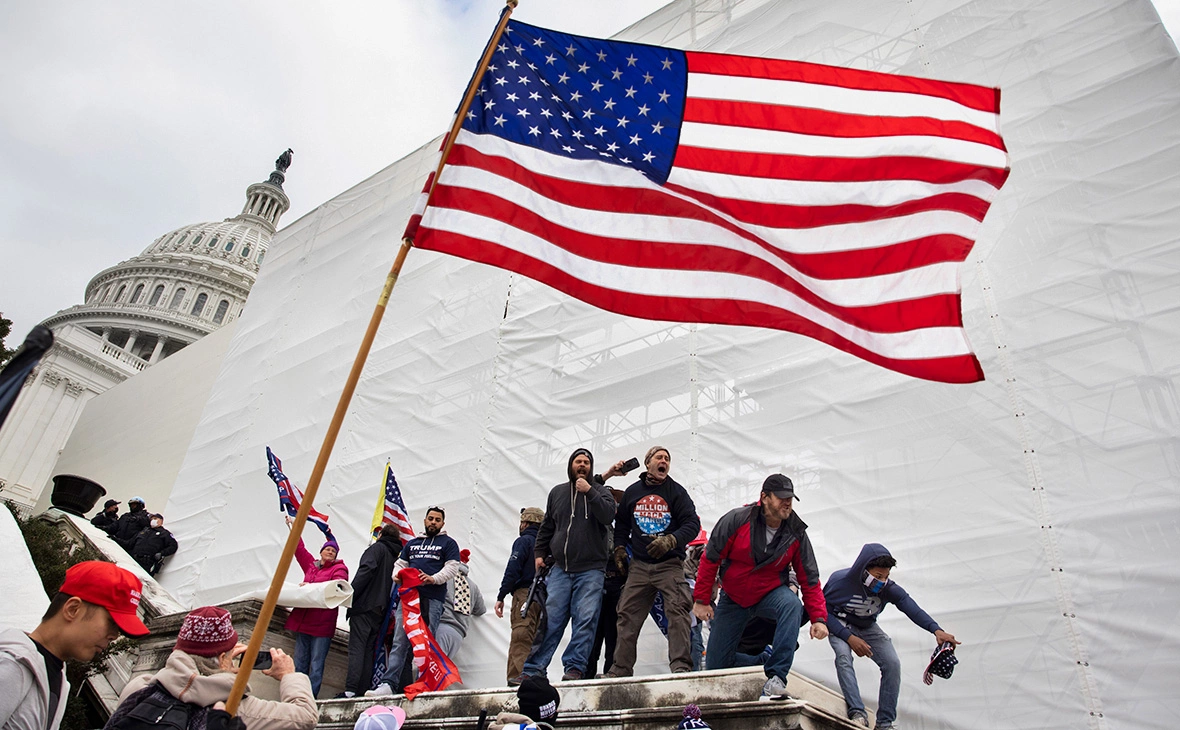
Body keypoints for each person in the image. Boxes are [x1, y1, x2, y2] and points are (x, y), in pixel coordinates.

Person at [692, 474, 829, 699]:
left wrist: (819, 618)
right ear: (764, 497)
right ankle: (762, 660)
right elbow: (710, 558)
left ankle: (776, 678)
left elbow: (810, 579)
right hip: (733, 597)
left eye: (790, 498)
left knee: (792, 605)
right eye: (782, 497)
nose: (787, 503)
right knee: (716, 668)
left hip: (770, 594)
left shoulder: (796, 532)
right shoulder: (736, 520)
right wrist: (701, 599)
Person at [113, 606, 317, 730]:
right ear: (222, 657)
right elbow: (306, 717)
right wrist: (289, 675)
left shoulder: (139, 687)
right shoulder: (236, 709)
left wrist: (221, 671)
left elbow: (183, 682)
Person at [824, 544, 960, 729]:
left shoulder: (888, 589)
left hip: (867, 625)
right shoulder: (839, 581)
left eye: (886, 577)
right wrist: (848, 637)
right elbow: (822, 612)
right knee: (843, 657)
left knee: (892, 663)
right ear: (863, 571)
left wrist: (936, 630)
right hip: (838, 623)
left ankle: (885, 722)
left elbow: (910, 606)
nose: (882, 581)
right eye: (878, 576)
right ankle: (857, 711)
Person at [1, 561, 149, 730]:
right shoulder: (11, 666)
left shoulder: (57, 676)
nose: (114, 636)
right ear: (73, 609)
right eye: (111, 622)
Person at [519, 448, 622, 683]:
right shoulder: (557, 493)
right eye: (578, 461)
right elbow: (547, 526)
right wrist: (539, 553)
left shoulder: (600, 492)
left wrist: (591, 492)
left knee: (585, 619)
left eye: (586, 462)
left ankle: (575, 667)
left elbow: (608, 516)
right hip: (560, 569)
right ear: (571, 466)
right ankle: (534, 669)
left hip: (591, 570)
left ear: (591, 467)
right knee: (550, 620)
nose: (582, 465)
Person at [604, 446, 700, 678]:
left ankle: (680, 666)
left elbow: (692, 524)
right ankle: (620, 669)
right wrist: (618, 548)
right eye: (659, 457)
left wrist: (671, 540)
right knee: (627, 614)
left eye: (667, 458)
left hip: (669, 565)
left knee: (677, 612)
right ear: (648, 463)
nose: (664, 461)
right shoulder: (633, 492)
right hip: (639, 565)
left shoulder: (676, 492)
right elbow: (623, 525)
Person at [367, 506, 462, 696]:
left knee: (426, 641)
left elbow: (452, 568)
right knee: (400, 640)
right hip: (409, 599)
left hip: (433, 599)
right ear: (425, 520)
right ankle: (388, 683)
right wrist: (398, 576)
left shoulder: (449, 543)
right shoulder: (412, 543)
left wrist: (433, 578)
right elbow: (400, 564)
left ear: (442, 523)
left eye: (437, 519)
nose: (433, 522)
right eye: (430, 519)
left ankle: (425, 681)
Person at [282, 515, 349, 698]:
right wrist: (294, 526)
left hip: (322, 624)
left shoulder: (339, 569)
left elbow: (338, 586)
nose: (330, 552)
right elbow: (299, 549)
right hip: (304, 621)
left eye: (333, 551)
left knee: (316, 665)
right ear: (321, 552)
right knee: (300, 663)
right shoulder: (311, 567)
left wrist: (310, 587)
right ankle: (296, 696)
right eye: (327, 549)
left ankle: (309, 700)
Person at [342, 522, 402, 698]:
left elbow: (366, 570)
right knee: (368, 650)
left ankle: (350, 690)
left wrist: (350, 594)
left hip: (364, 604)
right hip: (380, 610)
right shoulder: (394, 558)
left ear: (381, 535)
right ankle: (361, 689)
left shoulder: (376, 549)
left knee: (357, 648)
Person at [494, 507, 544, 684]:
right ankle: (534, 678)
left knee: (520, 636)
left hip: (525, 594)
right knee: (535, 638)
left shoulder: (524, 541)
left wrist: (501, 595)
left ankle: (518, 679)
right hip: (544, 597)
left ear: (525, 523)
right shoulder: (547, 543)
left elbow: (513, 569)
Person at [584, 488, 626, 678]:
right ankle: (585, 675)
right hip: (595, 581)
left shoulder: (624, 526)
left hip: (616, 582)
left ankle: (611, 673)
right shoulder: (590, 522)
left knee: (614, 634)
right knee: (591, 633)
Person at [435, 550, 486, 670]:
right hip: (458, 634)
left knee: (432, 668)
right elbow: (481, 609)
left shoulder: (443, 577)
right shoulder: (472, 586)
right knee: (441, 671)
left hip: (441, 627)